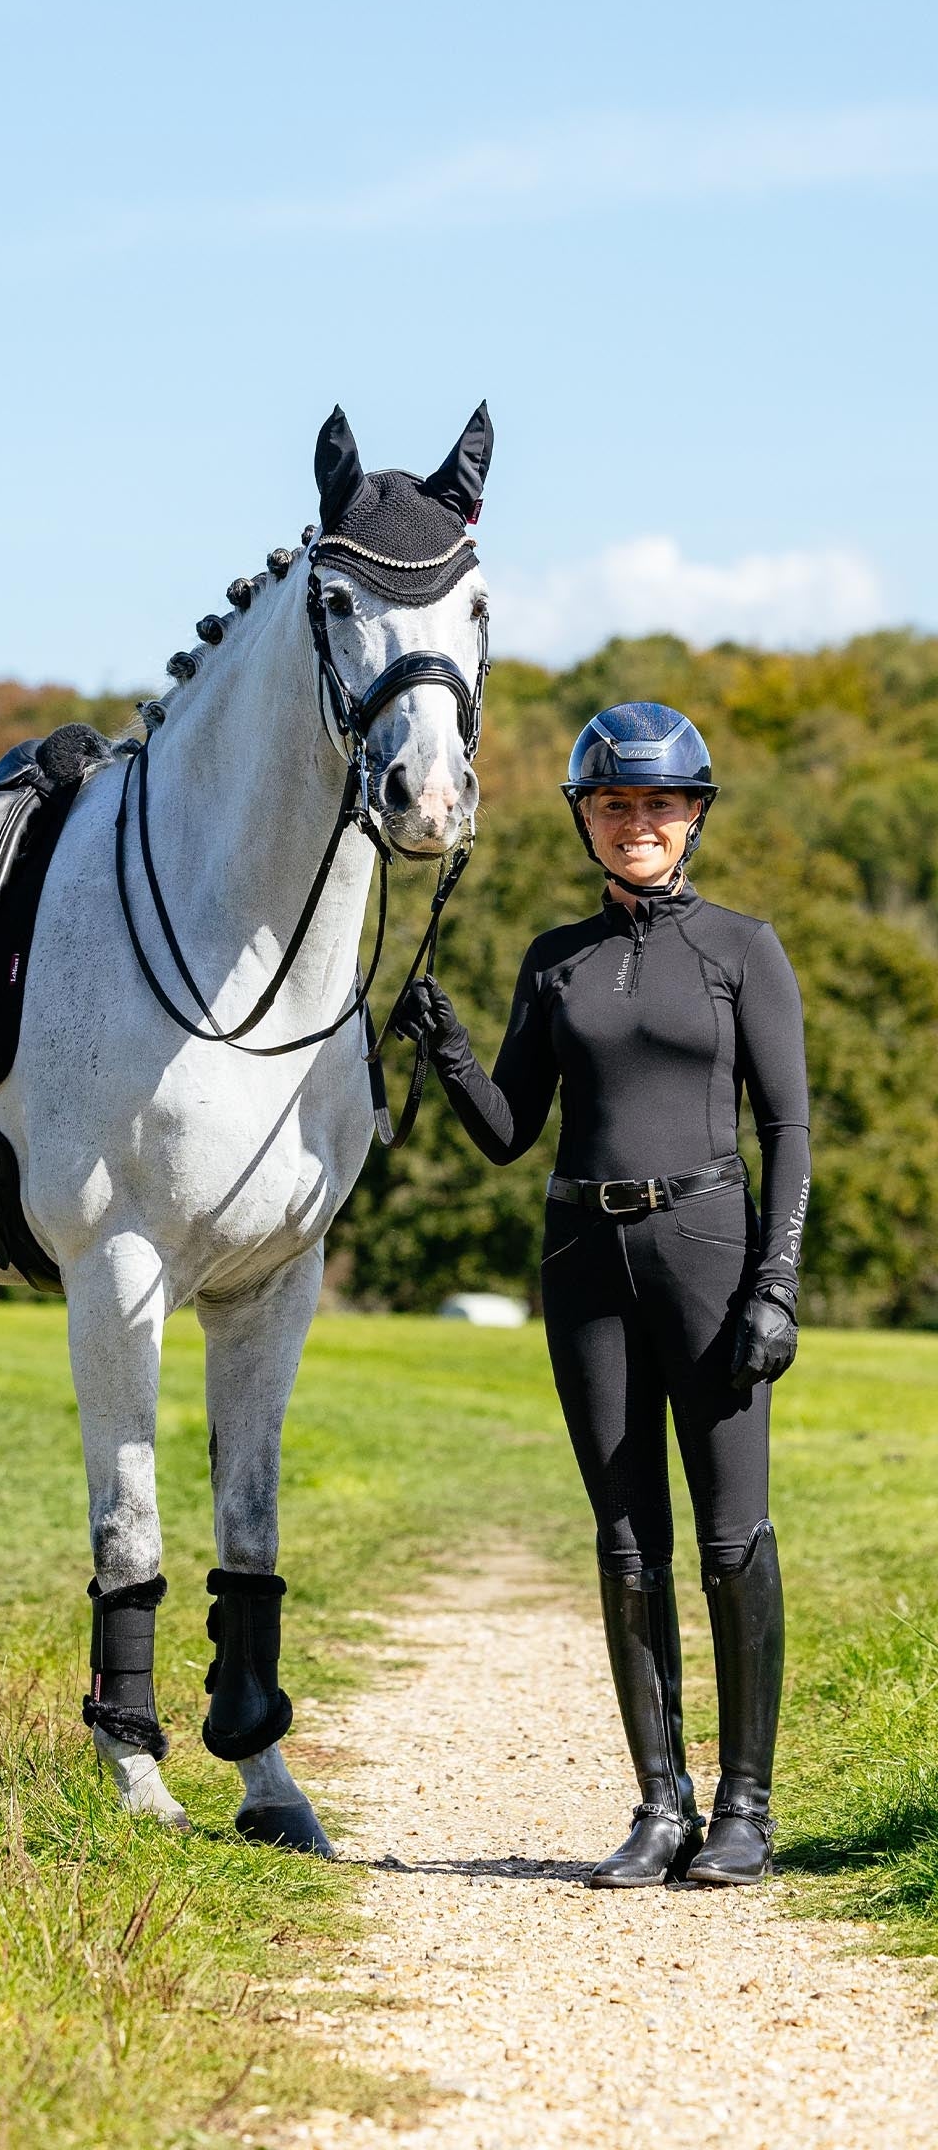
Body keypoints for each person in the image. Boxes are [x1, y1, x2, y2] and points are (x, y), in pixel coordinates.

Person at [400, 703, 809, 1887]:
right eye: (614, 803)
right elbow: (506, 1131)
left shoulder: (744, 949)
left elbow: (786, 1129)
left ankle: (744, 1811)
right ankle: (660, 1807)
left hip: (708, 1249)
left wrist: (775, 1282)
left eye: (658, 803)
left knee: (730, 1536)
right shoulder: (553, 959)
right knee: (626, 1538)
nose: (637, 822)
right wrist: (447, 1046)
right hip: (582, 1258)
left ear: (693, 815)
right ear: (584, 817)